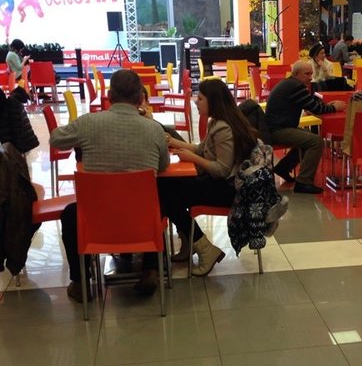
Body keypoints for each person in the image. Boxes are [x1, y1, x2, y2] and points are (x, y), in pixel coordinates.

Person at [49, 69, 169, 302]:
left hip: (96, 220)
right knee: (159, 201)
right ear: (140, 98)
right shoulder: (154, 129)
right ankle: (150, 268)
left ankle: (80, 282)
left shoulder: (88, 123)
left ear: (109, 96)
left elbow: (56, 139)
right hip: (141, 220)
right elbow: (163, 165)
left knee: (71, 214)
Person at [158, 79, 258, 276]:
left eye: (201, 98)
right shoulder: (216, 122)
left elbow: (222, 170)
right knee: (169, 187)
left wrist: (193, 158)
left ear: (214, 101)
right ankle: (191, 244)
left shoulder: (223, 128)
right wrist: (175, 143)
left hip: (230, 190)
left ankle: (204, 248)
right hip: (220, 183)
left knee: (168, 196)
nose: (196, 101)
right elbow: (202, 149)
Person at [265, 60, 347, 194]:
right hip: (278, 131)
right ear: (296, 74)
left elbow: (310, 104)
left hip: (276, 127)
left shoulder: (290, 84)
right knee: (316, 141)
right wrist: (334, 108)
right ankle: (303, 182)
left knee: (308, 138)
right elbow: (315, 108)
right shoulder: (296, 87)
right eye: (307, 74)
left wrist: (328, 106)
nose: (310, 77)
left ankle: (283, 168)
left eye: (311, 74)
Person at [0, 87, 39, 155]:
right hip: (20, 144)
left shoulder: (8, 109)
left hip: (19, 146)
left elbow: (17, 130)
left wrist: (18, 151)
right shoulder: (10, 104)